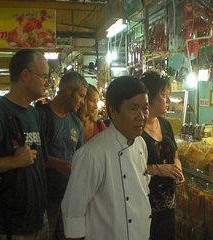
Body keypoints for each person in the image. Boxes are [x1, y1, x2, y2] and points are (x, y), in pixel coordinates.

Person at [0, 49, 50, 240]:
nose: (47, 82)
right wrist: (13, 161)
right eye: (43, 76)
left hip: (38, 218)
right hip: (9, 224)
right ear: (24, 75)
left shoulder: (34, 114)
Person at [62, 76, 151, 240]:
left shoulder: (141, 145)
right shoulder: (92, 153)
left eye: (145, 108)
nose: (142, 116)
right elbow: (73, 212)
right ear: (113, 111)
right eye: (133, 108)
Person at [37, 71, 87, 240]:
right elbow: (33, 155)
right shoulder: (41, 115)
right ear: (67, 91)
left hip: (69, 198)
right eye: (80, 96)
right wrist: (59, 164)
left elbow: (81, 155)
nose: (82, 101)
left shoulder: (76, 122)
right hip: (44, 198)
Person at [140, 71, 185, 240]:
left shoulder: (165, 124)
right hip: (144, 207)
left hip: (168, 206)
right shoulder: (136, 128)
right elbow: (126, 168)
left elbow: (175, 155)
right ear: (150, 98)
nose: (168, 100)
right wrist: (158, 169)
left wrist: (177, 168)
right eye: (164, 95)